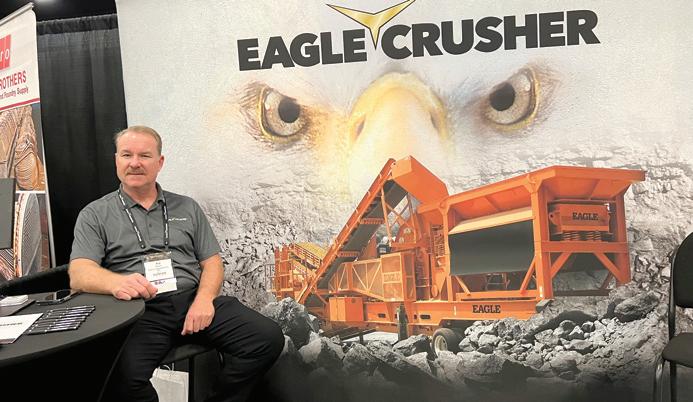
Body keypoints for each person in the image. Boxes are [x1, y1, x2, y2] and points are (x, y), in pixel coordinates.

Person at [69, 125, 283, 402]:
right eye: (127, 155)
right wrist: (116, 282)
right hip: (138, 312)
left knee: (266, 339)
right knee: (124, 380)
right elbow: (79, 273)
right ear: (116, 160)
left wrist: (204, 300)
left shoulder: (187, 207)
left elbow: (212, 262)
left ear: (159, 162)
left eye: (145, 156)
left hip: (192, 300)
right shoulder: (95, 214)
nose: (135, 163)